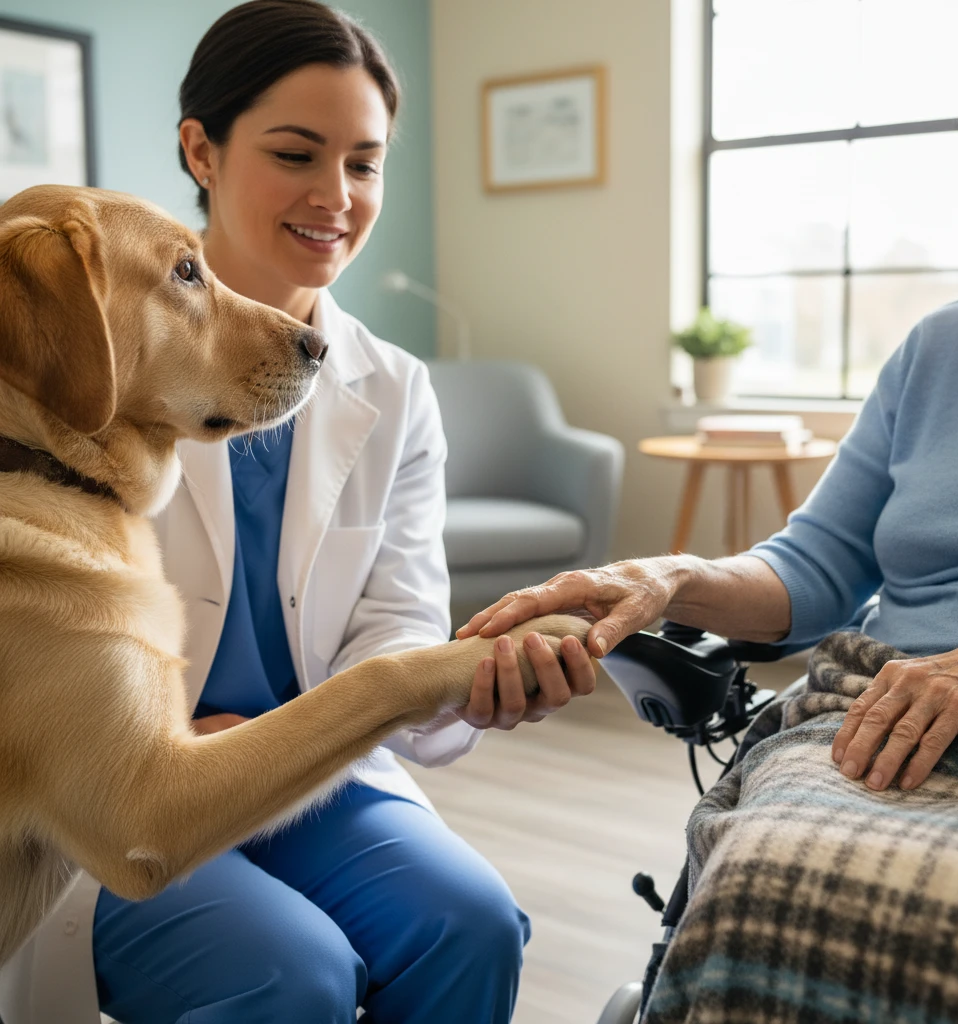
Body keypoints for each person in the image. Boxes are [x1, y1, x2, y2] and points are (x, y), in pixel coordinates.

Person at [0, 4, 595, 1023]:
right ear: (203, 148)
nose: (336, 196)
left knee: (473, 922)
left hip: (310, 775)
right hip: (122, 795)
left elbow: (399, 623)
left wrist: (472, 681)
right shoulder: (89, 388)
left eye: (363, 164)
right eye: (295, 153)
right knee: (290, 972)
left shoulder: (396, 387)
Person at [459, 4, 958, 799]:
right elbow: (816, 569)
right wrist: (668, 578)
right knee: (757, 875)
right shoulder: (937, 351)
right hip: (880, 711)